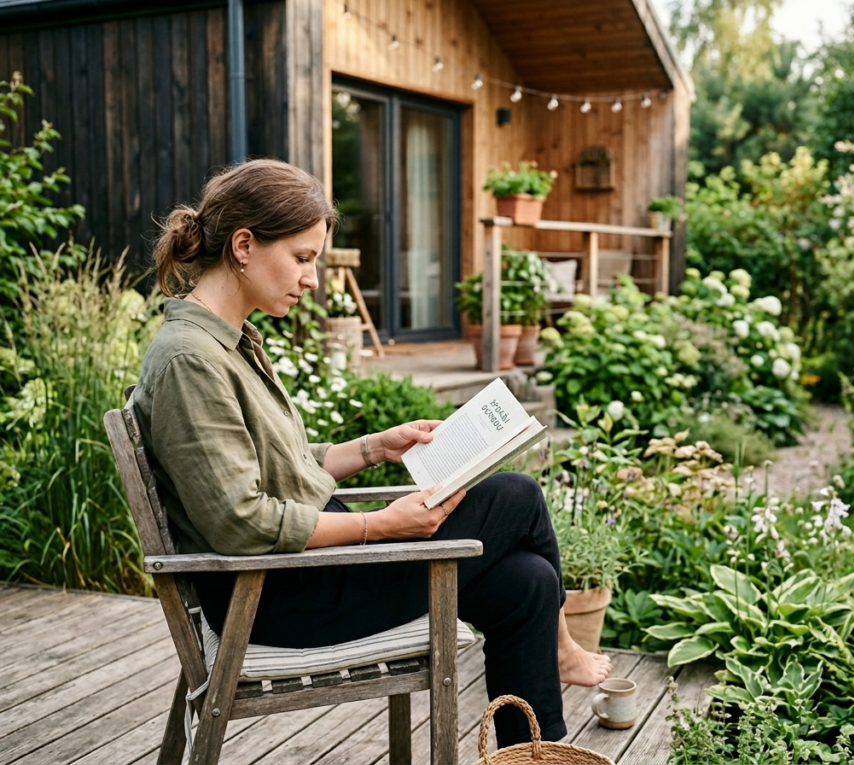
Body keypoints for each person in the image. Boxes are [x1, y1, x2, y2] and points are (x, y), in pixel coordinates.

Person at [133, 158, 611, 747]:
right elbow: (240, 521)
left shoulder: (225, 342)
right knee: (517, 494)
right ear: (243, 245)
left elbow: (278, 467)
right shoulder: (191, 359)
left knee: (527, 582)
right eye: (303, 257)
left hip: (305, 574)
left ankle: (533, 757)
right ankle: (566, 650)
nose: (312, 278)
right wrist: (380, 525)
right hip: (280, 597)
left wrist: (376, 447)